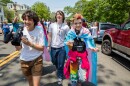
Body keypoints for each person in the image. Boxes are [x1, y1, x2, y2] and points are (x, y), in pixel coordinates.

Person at [64, 13, 98, 86]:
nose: (78, 25)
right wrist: (68, 44)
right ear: (73, 24)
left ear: (82, 22)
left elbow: (89, 42)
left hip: (83, 59)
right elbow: (67, 44)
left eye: (80, 23)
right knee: (73, 79)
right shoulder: (70, 33)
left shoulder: (86, 31)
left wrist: (92, 48)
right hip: (73, 58)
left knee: (83, 78)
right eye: (76, 23)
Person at [15, 10, 45, 86]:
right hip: (24, 61)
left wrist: (29, 44)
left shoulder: (39, 30)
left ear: (34, 21)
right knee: (30, 83)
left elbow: (42, 48)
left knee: (36, 84)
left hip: (37, 59)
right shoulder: (21, 30)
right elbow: (18, 49)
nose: (26, 21)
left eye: (29, 19)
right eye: (25, 19)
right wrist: (15, 41)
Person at [47, 10, 70, 85]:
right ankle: (59, 70)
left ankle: (60, 77)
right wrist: (48, 45)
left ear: (63, 16)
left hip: (62, 48)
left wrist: (70, 43)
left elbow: (69, 36)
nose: (59, 16)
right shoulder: (52, 25)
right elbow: (49, 36)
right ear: (56, 16)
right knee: (54, 61)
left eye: (60, 14)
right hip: (53, 48)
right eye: (57, 14)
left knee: (61, 64)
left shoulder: (66, 26)